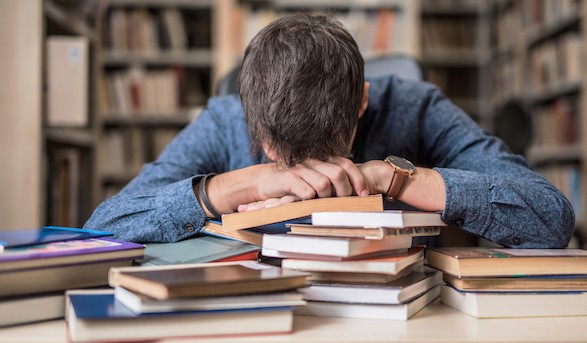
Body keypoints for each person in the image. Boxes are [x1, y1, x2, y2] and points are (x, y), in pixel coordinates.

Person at [85, 14, 574, 248]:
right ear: (248, 112)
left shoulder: (417, 106)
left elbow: (551, 217)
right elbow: (101, 228)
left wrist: (393, 178)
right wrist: (249, 182)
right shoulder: (224, 116)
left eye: (327, 155)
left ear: (362, 100)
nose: (312, 177)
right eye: (284, 156)